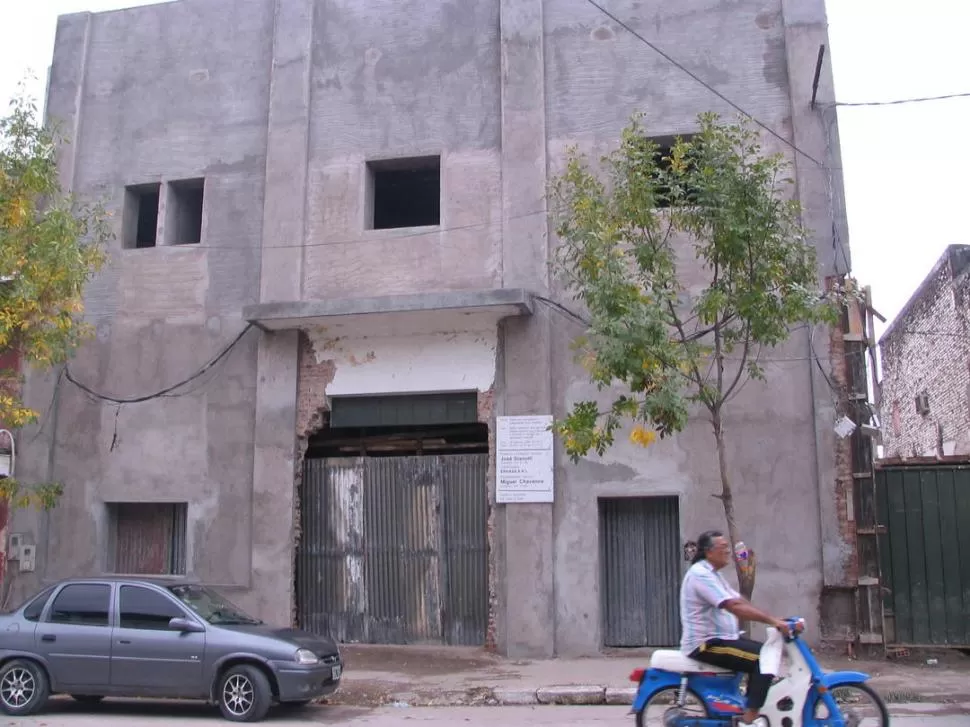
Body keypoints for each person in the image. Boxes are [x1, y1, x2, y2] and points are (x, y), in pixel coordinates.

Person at [680, 530, 798, 727]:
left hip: (721, 638)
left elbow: (738, 600)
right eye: (723, 548)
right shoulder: (701, 575)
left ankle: (750, 707)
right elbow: (732, 606)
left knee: (763, 651)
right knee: (762, 657)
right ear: (709, 552)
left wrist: (776, 619)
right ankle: (749, 719)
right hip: (706, 644)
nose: (728, 552)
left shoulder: (713, 574)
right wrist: (772, 621)